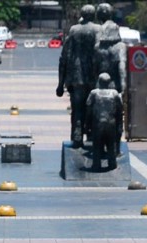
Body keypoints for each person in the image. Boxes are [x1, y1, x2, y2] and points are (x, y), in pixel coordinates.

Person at [56, 4, 99, 147]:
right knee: (94, 107)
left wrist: (60, 83)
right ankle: (92, 135)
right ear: (94, 15)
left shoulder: (74, 31)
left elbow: (65, 57)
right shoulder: (98, 30)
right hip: (94, 76)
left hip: (76, 76)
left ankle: (77, 134)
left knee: (77, 108)